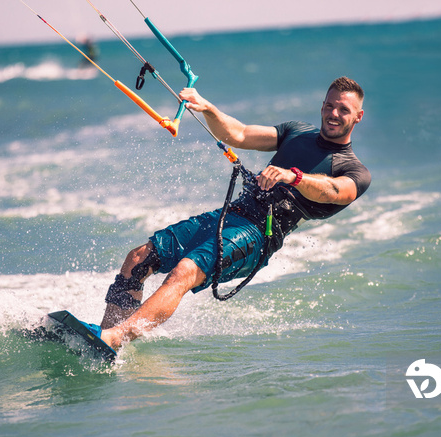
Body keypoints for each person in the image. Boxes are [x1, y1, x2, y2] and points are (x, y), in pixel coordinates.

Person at [99, 76, 371, 350]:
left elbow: (335, 191)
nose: (333, 114)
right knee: (138, 259)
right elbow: (238, 134)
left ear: (358, 117)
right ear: (323, 105)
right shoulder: (297, 132)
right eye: (329, 106)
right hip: (231, 214)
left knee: (185, 271)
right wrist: (208, 108)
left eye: (343, 110)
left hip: (257, 237)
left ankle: (114, 338)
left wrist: (293, 177)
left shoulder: (354, 170)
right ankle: (103, 338)